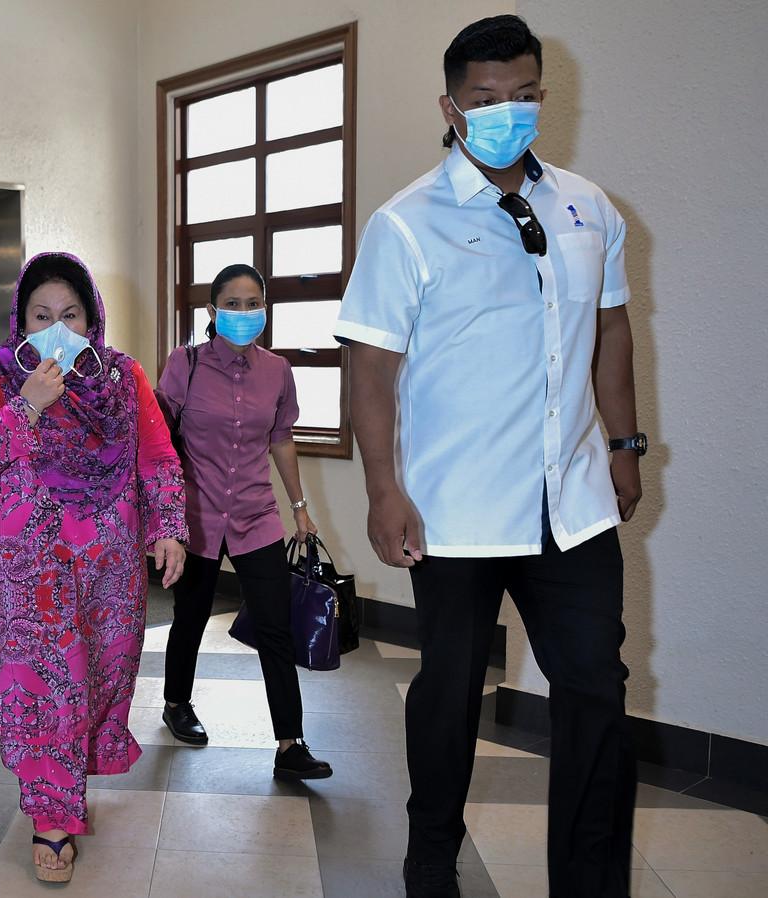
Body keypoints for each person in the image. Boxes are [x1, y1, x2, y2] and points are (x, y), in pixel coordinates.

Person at [336, 16, 642, 898]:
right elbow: (371, 370)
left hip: (572, 501)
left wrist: (624, 446)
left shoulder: (588, 207)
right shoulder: (406, 225)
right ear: (451, 105)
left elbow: (611, 328)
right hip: (455, 510)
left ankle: (590, 881)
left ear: (543, 95)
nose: (507, 112)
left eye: (523, 96)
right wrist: (383, 490)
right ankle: (431, 849)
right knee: (451, 689)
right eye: (485, 99)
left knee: (596, 688)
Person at [0, 252, 187, 882]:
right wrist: (27, 405)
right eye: (41, 314)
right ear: (20, 320)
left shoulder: (122, 378)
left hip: (109, 571)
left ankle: (65, 786)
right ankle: (51, 820)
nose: (57, 326)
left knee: (99, 683)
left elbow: (159, 457)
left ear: (92, 319)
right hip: (25, 573)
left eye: (70, 314)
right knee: (47, 692)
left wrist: (168, 529)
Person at [156, 263, 333, 781]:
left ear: (264, 310)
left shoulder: (277, 371)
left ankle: (289, 743)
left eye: (252, 302)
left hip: (257, 515)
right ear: (212, 312)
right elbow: (161, 437)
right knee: (190, 614)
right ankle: (176, 703)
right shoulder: (184, 364)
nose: (243, 313)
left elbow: (281, 438)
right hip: (197, 513)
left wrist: (300, 509)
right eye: (231, 304)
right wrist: (159, 511)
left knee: (275, 626)